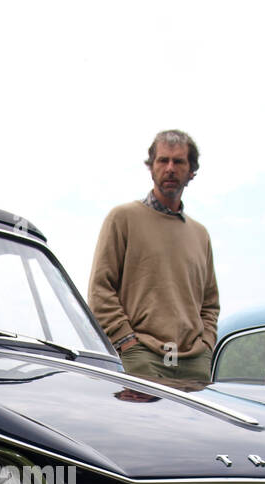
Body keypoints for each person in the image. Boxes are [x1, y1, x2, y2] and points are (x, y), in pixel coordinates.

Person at [88, 130, 220, 385]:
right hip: (141, 357)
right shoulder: (123, 218)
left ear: (192, 171)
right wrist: (127, 342)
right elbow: (100, 290)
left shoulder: (200, 234)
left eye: (179, 162)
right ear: (151, 168)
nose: (170, 168)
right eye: (163, 160)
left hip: (193, 364)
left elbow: (210, 302)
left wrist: (206, 347)